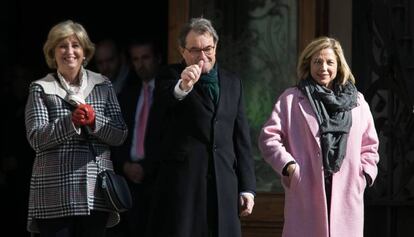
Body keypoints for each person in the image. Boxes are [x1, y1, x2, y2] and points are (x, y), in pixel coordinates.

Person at [144, 17, 256, 237]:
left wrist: (247, 188)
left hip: (224, 186)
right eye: (194, 50)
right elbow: (162, 107)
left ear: (216, 46)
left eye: (208, 48)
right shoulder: (169, 77)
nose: (202, 56)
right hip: (185, 188)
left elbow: (241, 139)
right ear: (182, 51)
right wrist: (183, 86)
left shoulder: (233, 82)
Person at [258, 36, 379, 237]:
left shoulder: (358, 102)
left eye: (329, 62)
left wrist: (364, 175)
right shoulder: (291, 99)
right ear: (309, 64)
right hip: (306, 189)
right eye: (317, 61)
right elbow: (268, 138)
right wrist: (289, 167)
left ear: (339, 65)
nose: (323, 67)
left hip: (347, 189)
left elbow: (370, 146)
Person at [24, 20, 128, 237]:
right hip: (54, 194)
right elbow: (36, 138)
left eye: (75, 45)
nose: (69, 51)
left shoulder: (102, 85)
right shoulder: (41, 88)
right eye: (62, 46)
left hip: (95, 193)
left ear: (85, 52)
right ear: (52, 52)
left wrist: (94, 121)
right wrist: (71, 123)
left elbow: (120, 134)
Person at [112, 39, 162, 236]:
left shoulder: (169, 93)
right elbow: (116, 135)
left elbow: (169, 139)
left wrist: (147, 167)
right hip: (129, 180)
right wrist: (124, 164)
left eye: (146, 57)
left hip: (158, 179)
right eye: (136, 59)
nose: (141, 64)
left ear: (158, 58)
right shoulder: (127, 95)